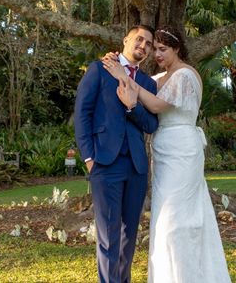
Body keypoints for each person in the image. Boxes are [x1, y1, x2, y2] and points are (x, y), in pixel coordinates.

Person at [102, 26, 231, 283]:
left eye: (163, 49)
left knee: (180, 220)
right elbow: (139, 81)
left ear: (177, 49)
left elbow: (157, 105)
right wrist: (119, 65)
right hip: (162, 152)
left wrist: (123, 76)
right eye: (155, 49)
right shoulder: (161, 77)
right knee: (164, 220)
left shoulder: (184, 75)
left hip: (183, 150)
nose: (157, 54)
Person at [74, 24, 160, 283]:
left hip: (136, 166)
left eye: (148, 44)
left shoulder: (147, 83)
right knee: (108, 236)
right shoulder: (99, 69)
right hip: (105, 162)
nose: (143, 46)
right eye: (139, 39)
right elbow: (82, 114)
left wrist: (133, 106)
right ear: (126, 39)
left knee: (128, 235)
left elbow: (151, 124)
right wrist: (89, 157)